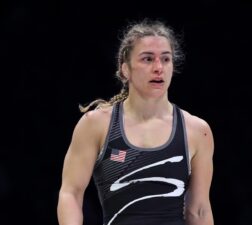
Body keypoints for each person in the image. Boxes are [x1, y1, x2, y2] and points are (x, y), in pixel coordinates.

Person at [57, 18, 215, 225]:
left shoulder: (197, 130)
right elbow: (70, 193)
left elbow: (200, 210)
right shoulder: (96, 124)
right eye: (147, 59)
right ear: (125, 69)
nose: (159, 67)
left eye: (166, 59)